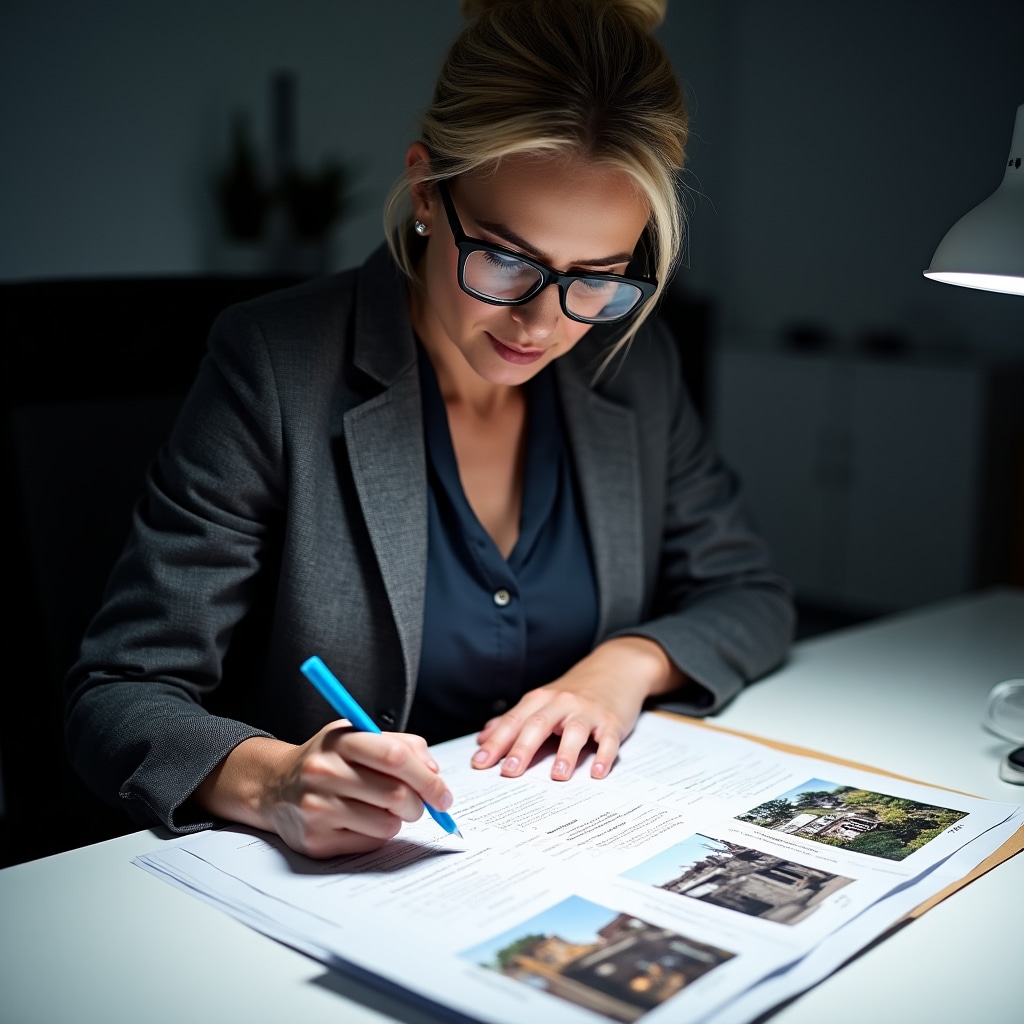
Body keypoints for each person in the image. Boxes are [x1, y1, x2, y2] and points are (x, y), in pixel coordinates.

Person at [65, 0, 793, 859]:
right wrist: (274, 780)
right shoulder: (276, 362)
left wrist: (622, 668)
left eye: (596, 278)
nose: (542, 325)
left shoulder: (631, 363)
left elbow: (750, 595)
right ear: (424, 192)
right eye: (507, 259)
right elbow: (118, 691)